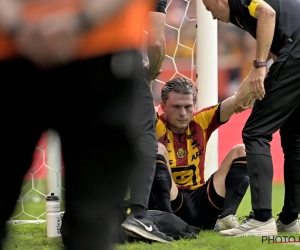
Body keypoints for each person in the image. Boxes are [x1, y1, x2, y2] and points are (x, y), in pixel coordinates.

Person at [0, 1, 154, 250]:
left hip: (13, 45)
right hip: (104, 46)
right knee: (93, 221)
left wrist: (18, 26)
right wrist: (80, 23)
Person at [202, 0, 300, 236]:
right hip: (294, 53)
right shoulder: (243, 16)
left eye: (209, 9)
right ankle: (289, 220)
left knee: (255, 132)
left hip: (296, 52)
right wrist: (242, 95)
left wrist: (258, 65)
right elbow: (278, 54)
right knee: (294, 138)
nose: (212, 16)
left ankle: (261, 218)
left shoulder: (241, 2)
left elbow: (268, 13)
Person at [148, 77, 251, 231]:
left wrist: (259, 68)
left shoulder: (201, 121)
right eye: (176, 107)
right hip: (171, 200)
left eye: (188, 107)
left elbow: (238, 99)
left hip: (201, 201)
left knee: (243, 150)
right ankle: (166, 219)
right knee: (156, 148)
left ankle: (227, 217)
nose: (183, 113)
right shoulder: (156, 125)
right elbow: (142, 107)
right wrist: (149, 75)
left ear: (194, 106)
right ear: (162, 106)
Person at [120, 0, 173, 243]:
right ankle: (138, 213)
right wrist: (151, 73)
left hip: (74, 62)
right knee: (144, 134)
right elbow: (156, 40)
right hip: (120, 63)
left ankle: (80, 217)